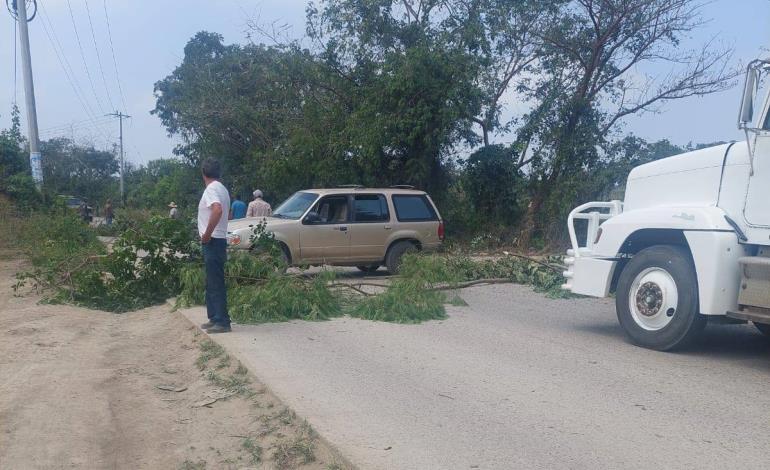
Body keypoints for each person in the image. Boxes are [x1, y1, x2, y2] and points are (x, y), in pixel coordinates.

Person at [197, 158, 231, 334]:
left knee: (215, 282)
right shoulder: (222, 189)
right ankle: (214, 317)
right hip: (218, 239)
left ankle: (222, 321)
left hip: (213, 240)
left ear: (204, 173)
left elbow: (217, 210)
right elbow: (227, 213)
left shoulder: (211, 189)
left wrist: (207, 234)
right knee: (212, 280)